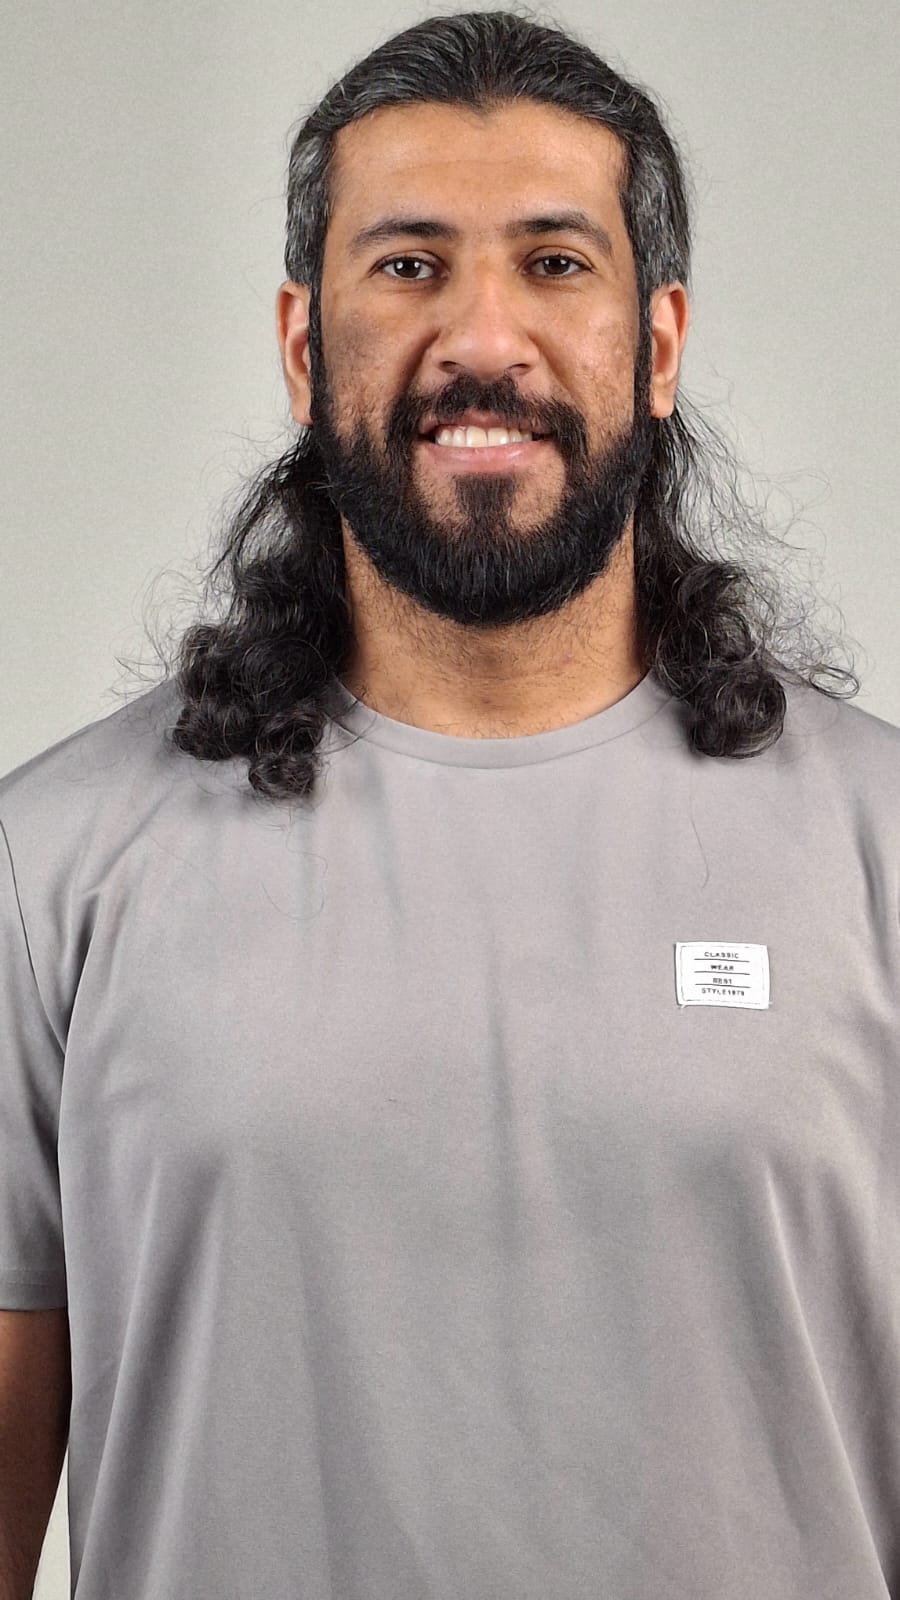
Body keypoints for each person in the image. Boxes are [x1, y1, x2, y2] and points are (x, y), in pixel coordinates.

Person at [1, 11, 898, 1599]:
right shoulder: (50, 868)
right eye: (409, 265)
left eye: (555, 263)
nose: (484, 338)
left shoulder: (880, 851)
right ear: (302, 346)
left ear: (660, 344)